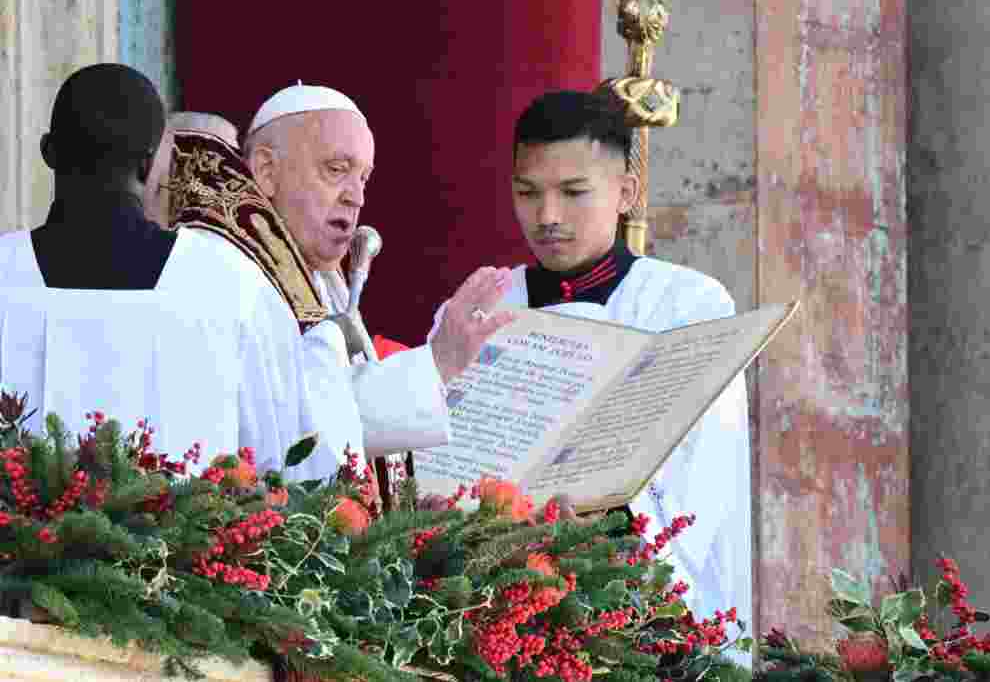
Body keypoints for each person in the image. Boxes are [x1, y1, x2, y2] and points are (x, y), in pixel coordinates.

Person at [428, 91, 753, 662]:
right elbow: (432, 451)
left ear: (626, 193)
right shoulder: (482, 305)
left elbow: (707, 470)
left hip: (638, 608)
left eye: (573, 192)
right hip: (496, 602)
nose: (547, 216)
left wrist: (611, 511)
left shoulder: (689, 304)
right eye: (528, 192)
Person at [0, 63, 335, 481]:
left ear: (49, 152)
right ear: (149, 167)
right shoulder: (232, 285)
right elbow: (287, 467)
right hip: (194, 525)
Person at [239, 83, 516, 465]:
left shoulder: (325, 284)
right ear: (267, 171)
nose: (356, 197)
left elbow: (341, 416)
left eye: (363, 178)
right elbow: (301, 438)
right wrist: (438, 361)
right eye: (336, 170)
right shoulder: (242, 283)